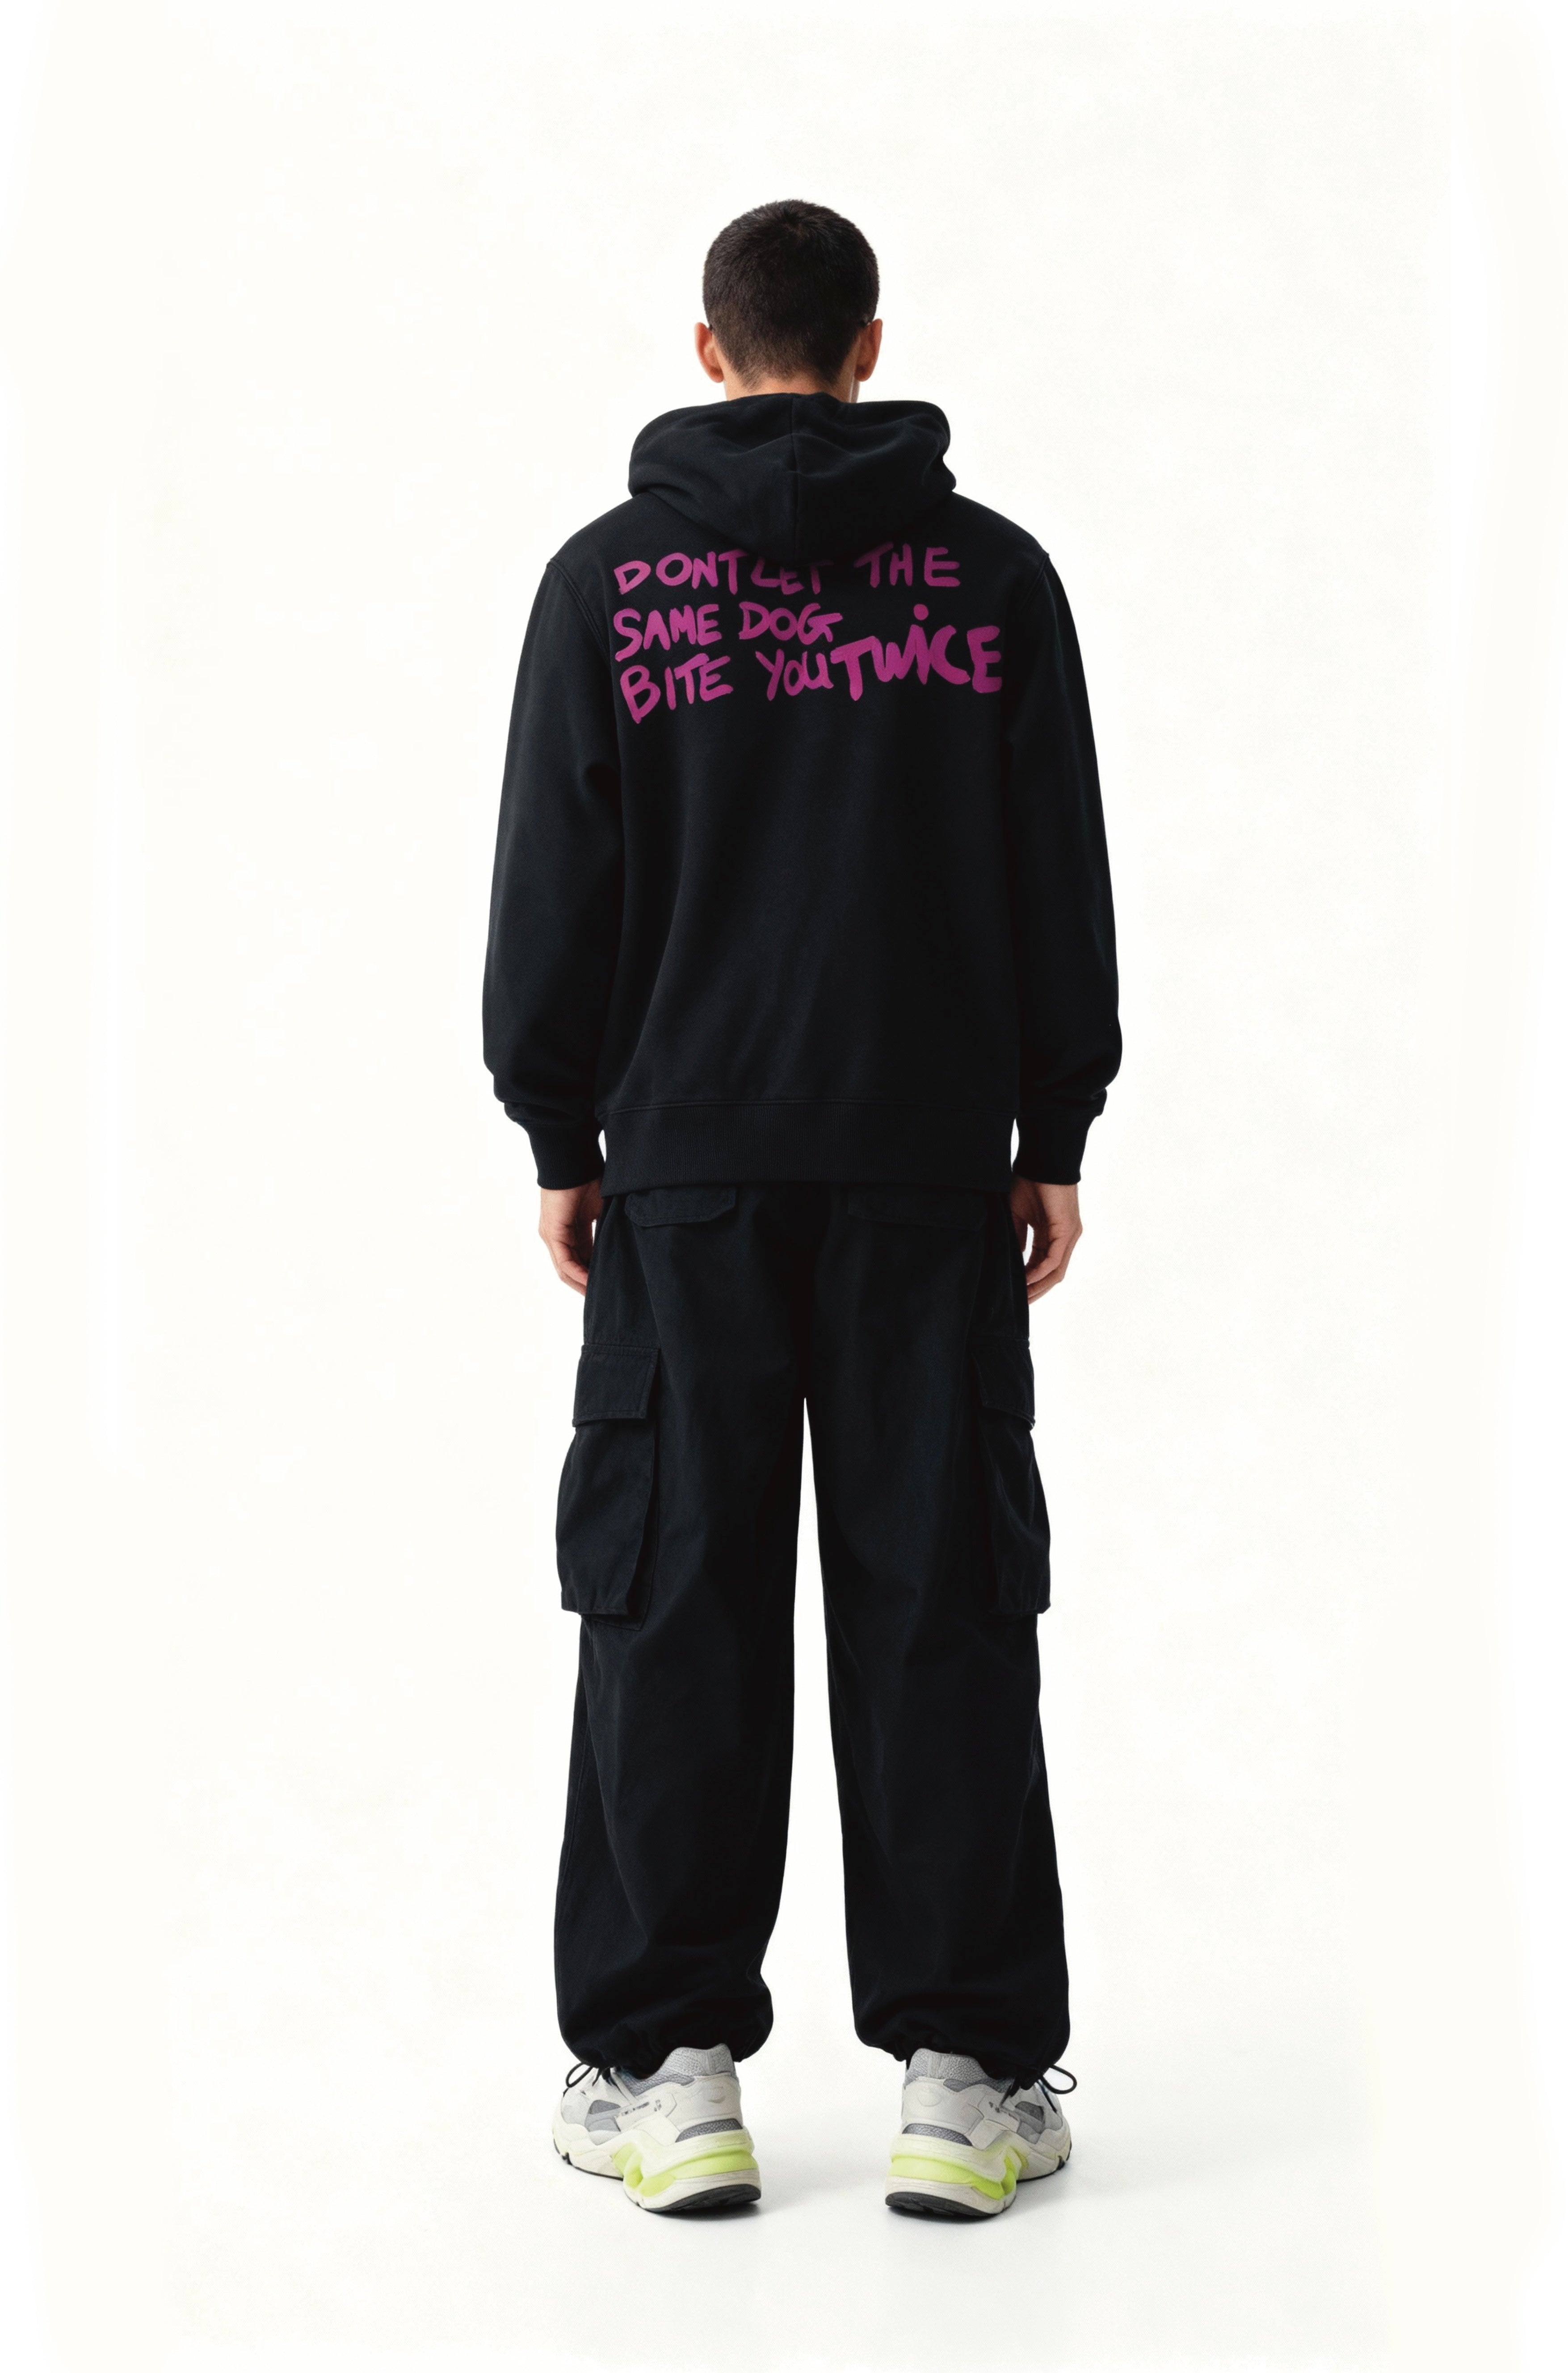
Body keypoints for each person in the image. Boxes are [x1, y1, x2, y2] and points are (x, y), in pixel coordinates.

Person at [483, 198, 1119, 2220]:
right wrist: (1054, 1127)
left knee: (673, 1601)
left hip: (681, 1177)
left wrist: (561, 1136)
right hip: (927, 1169)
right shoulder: (991, 580)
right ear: (867, 347)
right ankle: (965, 2080)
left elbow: (552, 882)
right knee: (939, 1595)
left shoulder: (609, 587)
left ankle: (668, 2079)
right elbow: (1055, 866)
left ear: (708, 347)